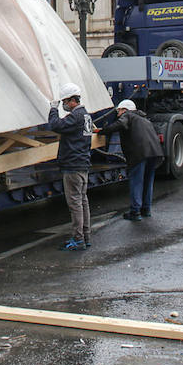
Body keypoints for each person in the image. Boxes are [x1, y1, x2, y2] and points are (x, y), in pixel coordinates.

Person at [47, 83, 95, 251]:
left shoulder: (76, 117)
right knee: (82, 201)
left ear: (72, 100)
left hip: (73, 165)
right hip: (82, 164)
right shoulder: (87, 116)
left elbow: (55, 125)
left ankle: (78, 238)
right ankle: (86, 236)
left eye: (65, 102)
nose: (64, 105)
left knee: (75, 203)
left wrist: (53, 109)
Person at [100, 99, 163, 221]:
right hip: (154, 153)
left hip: (139, 153)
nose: (118, 114)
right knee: (147, 182)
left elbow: (120, 124)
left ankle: (135, 212)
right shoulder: (144, 119)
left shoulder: (128, 115)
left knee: (137, 181)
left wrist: (103, 131)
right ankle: (146, 209)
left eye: (119, 111)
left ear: (125, 109)